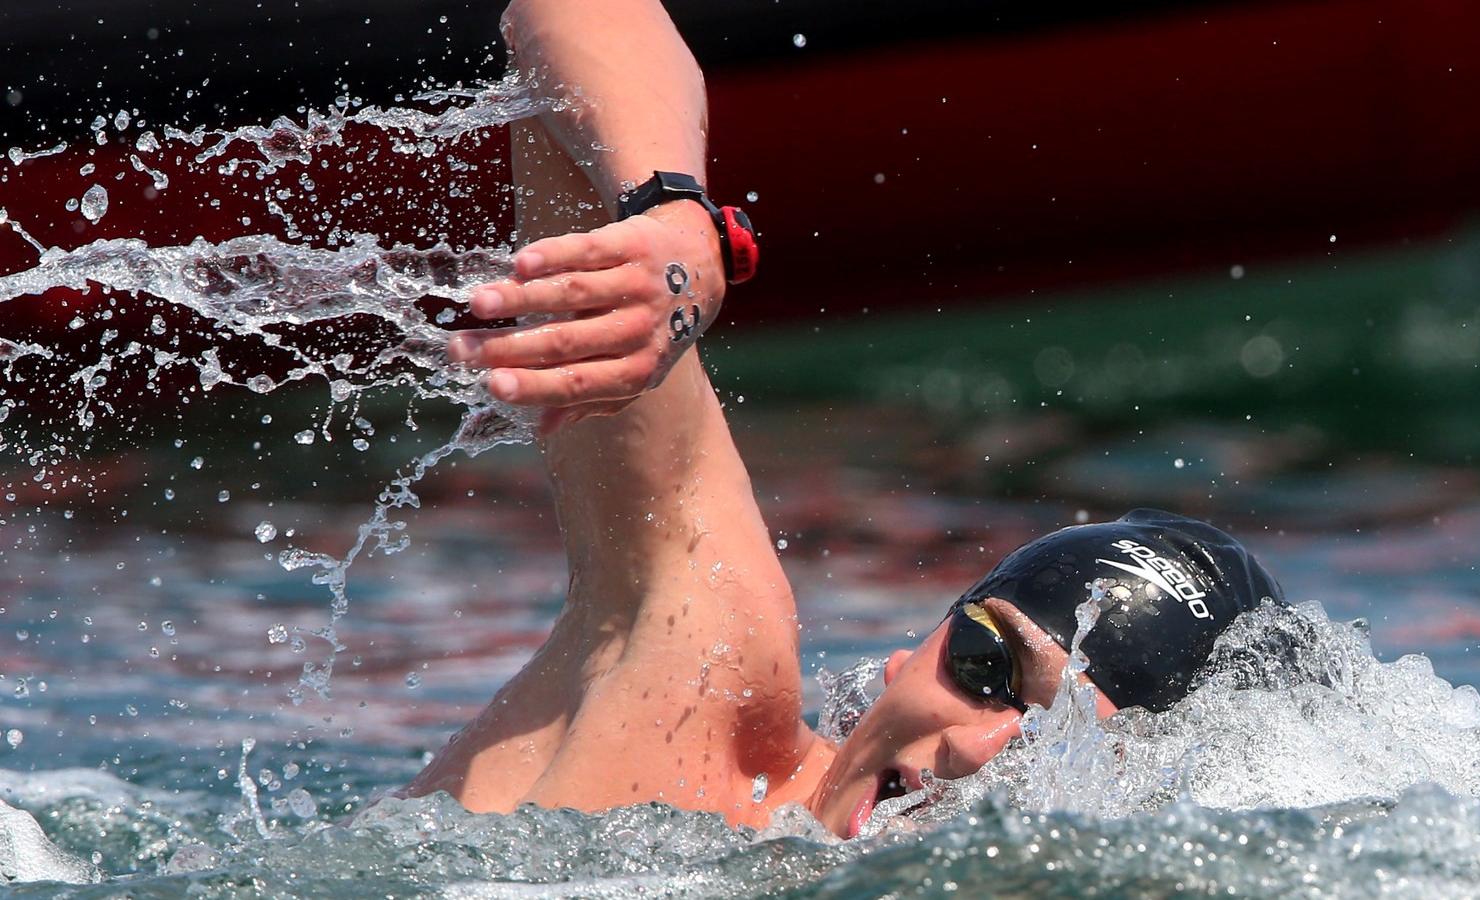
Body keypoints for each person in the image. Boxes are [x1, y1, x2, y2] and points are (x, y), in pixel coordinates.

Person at [401, 0, 1284, 837]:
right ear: (909, 656)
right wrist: (671, 209)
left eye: (1067, 748)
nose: (974, 755)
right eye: (986, 669)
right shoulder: (692, 688)